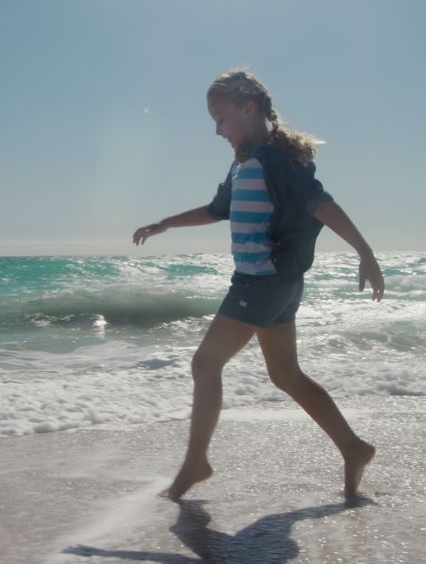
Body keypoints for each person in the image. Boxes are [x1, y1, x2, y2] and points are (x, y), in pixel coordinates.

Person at [132, 69, 383, 502]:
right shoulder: (244, 161)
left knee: (205, 364)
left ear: (248, 107)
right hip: (277, 284)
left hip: (261, 280)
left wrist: (366, 252)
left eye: (221, 119)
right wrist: (166, 223)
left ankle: (196, 462)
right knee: (286, 375)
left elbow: (320, 203)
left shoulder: (276, 158)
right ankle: (353, 447)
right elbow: (218, 208)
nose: (217, 130)